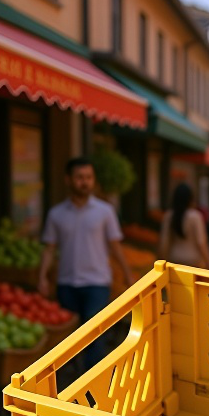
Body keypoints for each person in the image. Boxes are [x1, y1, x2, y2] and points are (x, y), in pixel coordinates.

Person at [39, 156, 133, 370]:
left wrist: (127, 274)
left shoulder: (105, 211)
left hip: (97, 283)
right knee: (69, 338)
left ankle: (93, 380)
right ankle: (73, 379)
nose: (85, 182)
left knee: (94, 333)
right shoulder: (56, 214)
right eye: (80, 177)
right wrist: (43, 276)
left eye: (89, 177)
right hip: (67, 283)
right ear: (68, 180)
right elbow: (49, 248)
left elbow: (115, 246)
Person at [160, 182, 209, 269]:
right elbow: (201, 242)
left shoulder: (169, 216)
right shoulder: (195, 216)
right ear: (190, 199)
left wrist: (161, 263)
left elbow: (165, 242)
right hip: (194, 262)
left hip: (174, 261)